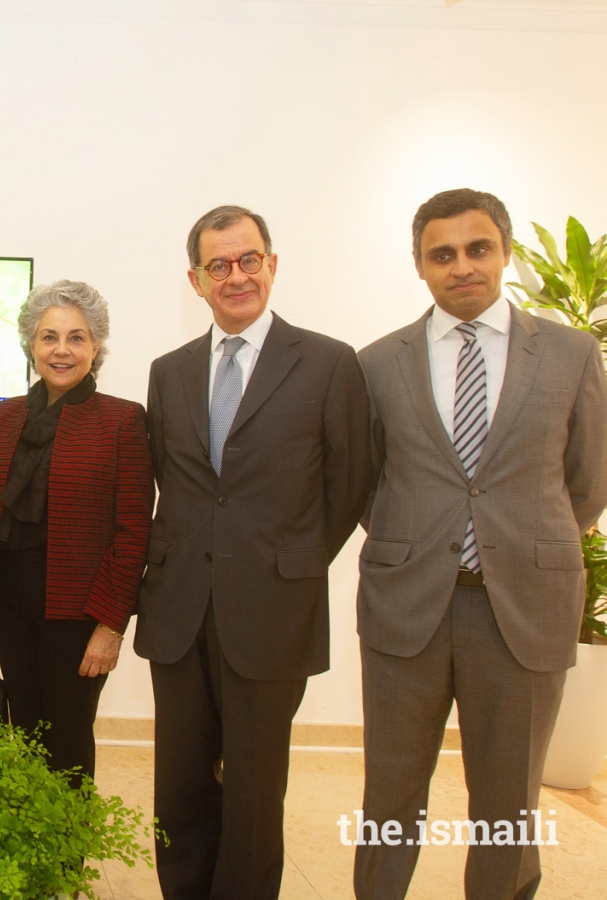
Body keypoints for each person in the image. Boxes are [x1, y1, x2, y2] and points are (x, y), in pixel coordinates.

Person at [353, 189, 607, 900]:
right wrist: (421, 541)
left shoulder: (571, 354)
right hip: (409, 610)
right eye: (442, 255)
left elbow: (585, 485)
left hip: (523, 609)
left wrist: (514, 541)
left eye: (477, 248)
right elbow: (367, 484)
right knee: (389, 800)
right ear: (420, 267)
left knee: (509, 807)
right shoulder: (378, 364)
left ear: (505, 252)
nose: (461, 267)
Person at [135, 205, 372, 899]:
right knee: (177, 785)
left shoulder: (329, 363)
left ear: (272, 264)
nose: (235, 276)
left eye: (248, 260)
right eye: (219, 265)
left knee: (254, 787)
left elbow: (349, 484)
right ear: (195, 279)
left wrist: (284, 561)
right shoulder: (168, 371)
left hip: (273, 610)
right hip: (179, 610)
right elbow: (171, 486)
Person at [0, 280, 153, 784]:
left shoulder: (123, 421)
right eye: (49, 337)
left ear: (96, 347)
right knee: (23, 735)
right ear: (31, 344)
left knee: (67, 740)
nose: (61, 350)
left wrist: (111, 626)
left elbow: (134, 533)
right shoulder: (4, 417)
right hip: (12, 607)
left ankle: (65, 861)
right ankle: (27, 856)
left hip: (80, 616)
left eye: (77, 337)